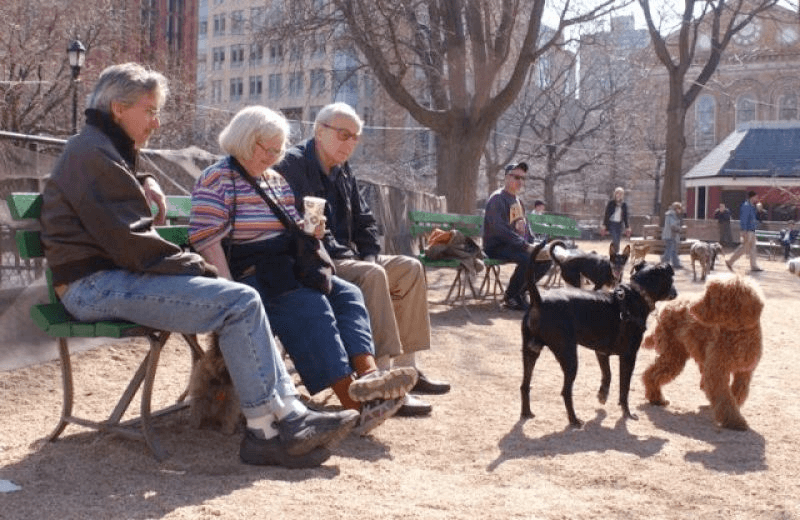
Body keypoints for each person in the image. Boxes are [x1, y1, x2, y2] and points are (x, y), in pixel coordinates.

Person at [39, 63, 360, 469]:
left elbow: (122, 212)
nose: (157, 121)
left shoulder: (103, 147)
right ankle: (273, 427)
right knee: (239, 300)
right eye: (150, 110)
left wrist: (147, 178)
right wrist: (199, 267)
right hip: (92, 286)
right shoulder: (93, 153)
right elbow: (132, 245)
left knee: (241, 299)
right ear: (119, 109)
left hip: (109, 277)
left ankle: (275, 423)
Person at [190, 106, 418, 435]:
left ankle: (370, 380)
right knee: (309, 304)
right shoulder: (218, 177)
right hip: (249, 270)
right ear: (243, 139)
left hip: (284, 263)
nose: (271, 156)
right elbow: (207, 240)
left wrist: (311, 231)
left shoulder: (274, 180)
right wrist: (230, 291)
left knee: (348, 294)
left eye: (276, 149)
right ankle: (355, 405)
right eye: (265, 148)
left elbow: (291, 226)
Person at [276, 102, 450, 418]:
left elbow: (365, 221)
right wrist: (362, 260)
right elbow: (300, 227)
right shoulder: (293, 165)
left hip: (351, 258)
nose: (351, 143)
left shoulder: (343, 170)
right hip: (315, 260)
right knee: (372, 274)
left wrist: (371, 253)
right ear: (319, 131)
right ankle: (381, 381)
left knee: (410, 268)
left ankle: (407, 370)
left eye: (356, 137)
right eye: (344, 135)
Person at [483, 162, 537, 311]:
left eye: (523, 178)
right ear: (507, 177)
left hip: (514, 246)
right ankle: (511, 296)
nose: (520, 181)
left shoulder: (518, 201)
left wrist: (534, 243)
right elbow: (500, 230)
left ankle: (520, 292)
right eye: (517, 177)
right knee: (527, 258)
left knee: (544, 258)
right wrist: (525, 245)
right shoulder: (497, 199)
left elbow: (525, 227)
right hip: (496, 247)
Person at [726, 191, 763, 273]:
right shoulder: (746, 206)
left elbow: (755, 217)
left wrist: (758, 209)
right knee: (744, 248)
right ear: (752, 197)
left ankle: (754, 266)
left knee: (753, 248)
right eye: (756, 197)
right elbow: (744, 219)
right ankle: (730, 261)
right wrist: (744, 230)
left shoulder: (752, 206)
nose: (757, 199)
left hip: (752, 230)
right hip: (748, 230)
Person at [600, 187, 631, 253]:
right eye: (617, 193)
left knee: (618, 240)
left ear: (622, 195)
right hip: (612, 224)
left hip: (619, 224)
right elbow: (607, 214)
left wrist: (627, 227)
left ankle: (614, 254)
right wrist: (604, 224)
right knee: (615, 240)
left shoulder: (624, 204)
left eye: (620, 193)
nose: (618, 195)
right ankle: (615, 253)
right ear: (615, 194)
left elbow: (625, 216)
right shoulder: (611, 203)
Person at [660, 201, 684, 269]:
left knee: (673, 250)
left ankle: (676, 263)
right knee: (669, 249)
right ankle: (665, 262)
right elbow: (673, 226)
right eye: (679, 209)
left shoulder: (671, 214)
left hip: (670, 235)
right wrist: (679, 229)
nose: (680, 210)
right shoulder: (672, 215)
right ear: (676, 208)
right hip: (671, 235)